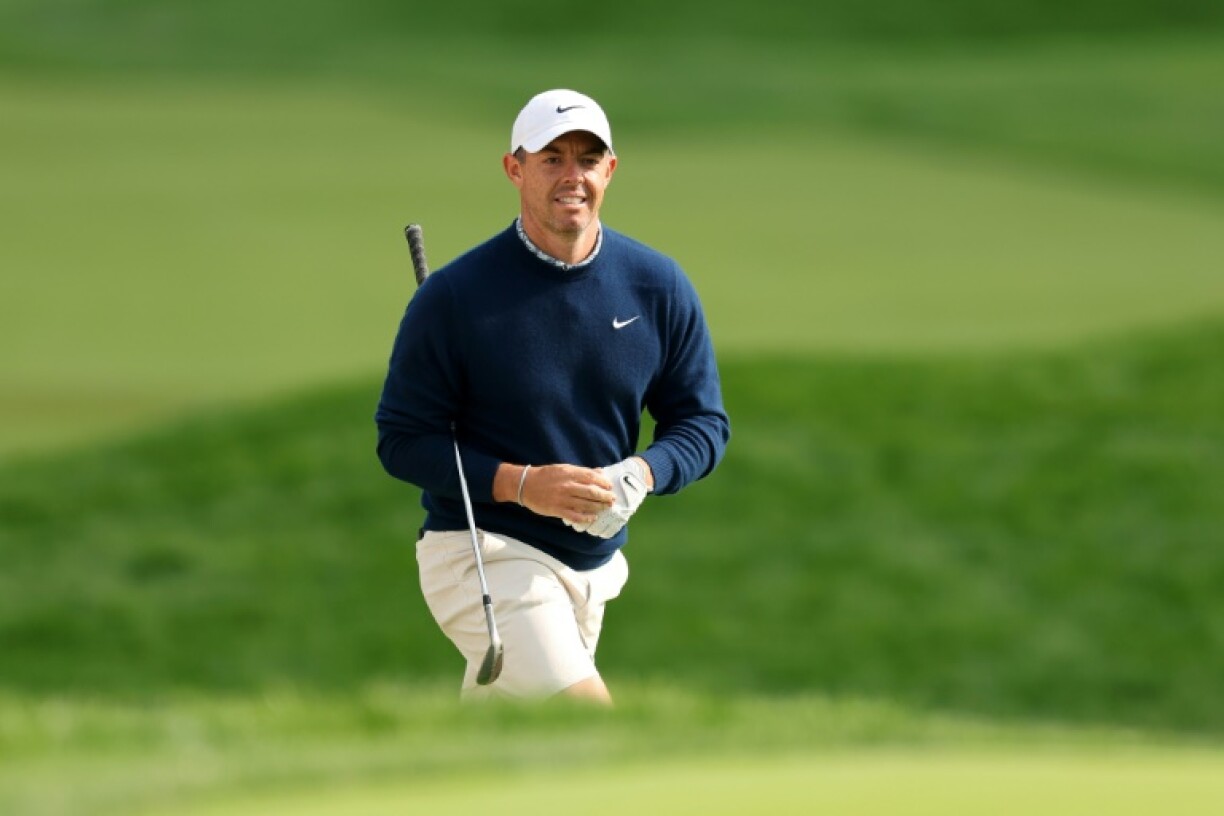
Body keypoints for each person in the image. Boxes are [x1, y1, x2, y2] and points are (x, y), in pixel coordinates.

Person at [375, 88, 729, 704]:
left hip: (592, 566)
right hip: (484, 552)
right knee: (590, 717)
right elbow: (404, 441)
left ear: (610, 170)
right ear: (515, 168)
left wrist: (642, 474)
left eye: (588, 160)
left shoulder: (657, 285)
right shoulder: (455, 297)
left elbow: (702, 423)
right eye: (551, 158)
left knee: (508, 763)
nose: (573, 176)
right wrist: (523, 484)